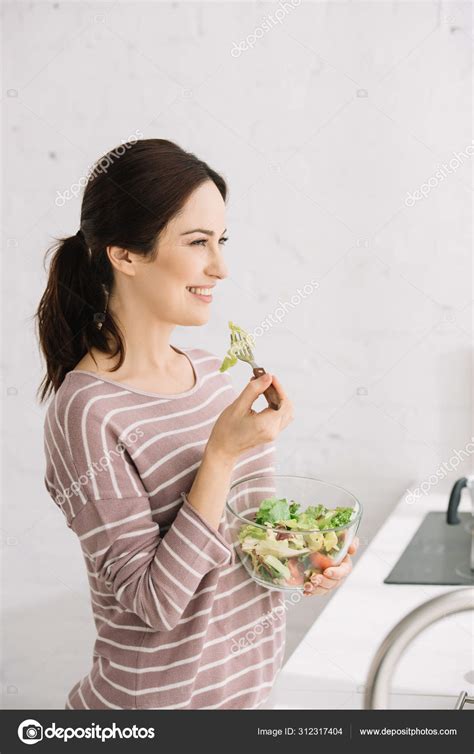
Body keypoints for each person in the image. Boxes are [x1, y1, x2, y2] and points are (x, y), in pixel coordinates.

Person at [35, 138, 359, 710]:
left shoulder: (213, 375)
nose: (221, 266)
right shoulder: (86, 411)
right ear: (125, 255)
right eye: (197, 242)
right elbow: (154, 603)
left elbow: (245, 545)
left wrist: (304, 557)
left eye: (222, 240)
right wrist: (221, 456)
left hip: (244, 702)